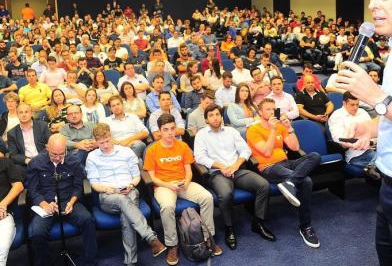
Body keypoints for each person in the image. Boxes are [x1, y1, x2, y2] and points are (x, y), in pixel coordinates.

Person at [334, 0, 392, 265]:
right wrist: (370, 128)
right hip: (387, 176)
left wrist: (375, 97)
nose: (373, 4)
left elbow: (385, 102)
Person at [144, 113, 222, 265]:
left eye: (172, 128)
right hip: (163, 186)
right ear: (159, 131)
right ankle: (172, 245)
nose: (170, 132)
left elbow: (189, 170)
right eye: (166, 129)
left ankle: (208, 238)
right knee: (167, 207)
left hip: (183, 183)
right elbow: (152, 178)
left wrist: (186, 181)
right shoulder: (152, 150)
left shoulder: (183, 146)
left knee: (207, 197)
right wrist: (168, 185)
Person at [194, 104, 274, 250]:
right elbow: (200, 157)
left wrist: (236, 165)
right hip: (218, 173)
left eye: (217, 114)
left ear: (221, 116)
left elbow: (245, 150)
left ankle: (258, 222)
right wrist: (222, 167)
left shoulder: (231, 131)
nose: (215, 117)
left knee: (264, 185)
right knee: (225, 194)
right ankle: (229, 228)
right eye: (211, 115)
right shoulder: (201, 135)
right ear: (206, 119)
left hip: (237, 170)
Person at [86, 123, 166, 265]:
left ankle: (131, 262)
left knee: (126, 218)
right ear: (96, 141)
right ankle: (150, 237)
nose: (105, 145)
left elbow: (136, 177)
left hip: (129, 191)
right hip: (108, 197)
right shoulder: (92, 157)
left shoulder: (126, 152)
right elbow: (94, 184)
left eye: (107, 141)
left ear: (111, 137)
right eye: (101, 142)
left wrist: (131, 185)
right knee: (123, 201)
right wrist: (106, 189)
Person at [246, 98, 321, 248]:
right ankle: (305, 226)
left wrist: (289, 128)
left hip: (286, 163)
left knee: (315, 156)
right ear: (260, 112)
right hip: (269, 167)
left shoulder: (280, 126)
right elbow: (266, 152)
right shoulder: (253, 130)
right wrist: (273, 129)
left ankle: (291, 182)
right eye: (268, 109)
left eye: (274, 109)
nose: (272, 112)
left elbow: (295, 147)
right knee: (306, 181)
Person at [27, 134, 97, 266]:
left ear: (66, 149)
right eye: (54, 154)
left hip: (68, 201)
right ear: (48, 148)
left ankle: (90, 262)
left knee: (88, 220)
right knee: (37, 233)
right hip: (45, 204)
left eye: (61, 154)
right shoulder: (35, 163)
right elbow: (33, 190)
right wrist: (44, 204)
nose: (58, 158)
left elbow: (77, 186)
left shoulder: (74, 161)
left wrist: (72, 202)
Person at [328, 92, 376, 170]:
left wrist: (372, 141)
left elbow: (373, 130)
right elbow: (338, 139)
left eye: (357, 104)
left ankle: (372, 169)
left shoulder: (363, 112)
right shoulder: (337, 116)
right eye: (352, 105)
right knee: (382, 160)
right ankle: (372, 168)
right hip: (355, 154)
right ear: (344, 103)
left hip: (372, 147)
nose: (355, 107)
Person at [7, 103, 50, 174]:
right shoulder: (12, 133)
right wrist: (27, 160)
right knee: (16, 169)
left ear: (31, 113)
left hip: (43, 159)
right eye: (21, 112)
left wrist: (39, 158)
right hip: (25, 163)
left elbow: (50, 145)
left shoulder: (43, 126)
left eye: (26, 112)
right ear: (17, 115)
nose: (24, 115)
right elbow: (13, 155)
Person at [0, 144, 24, 265]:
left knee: (0, 251)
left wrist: (2, 204)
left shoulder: (5, 162)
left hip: (3, 216)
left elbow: (18, 185)